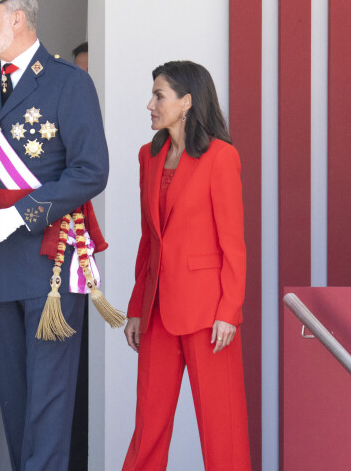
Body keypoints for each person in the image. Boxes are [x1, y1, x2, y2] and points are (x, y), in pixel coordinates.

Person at [0, 0, 109, 471]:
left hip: (50, 262)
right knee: (18, 405)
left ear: (16, 17)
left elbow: (91, 171)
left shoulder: (69, 82)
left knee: (47, 403)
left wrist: (19, 215)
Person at [123, 61, 251, 471]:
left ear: (187, 102)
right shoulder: (148, 156)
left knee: (221, 428)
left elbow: (233, 244)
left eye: (159, 95)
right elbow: (149, 240)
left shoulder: (221, 156)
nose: (150, 104)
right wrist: (136, 308)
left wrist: (229, 311)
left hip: (208, 315)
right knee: (148, 426)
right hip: (157, 310)